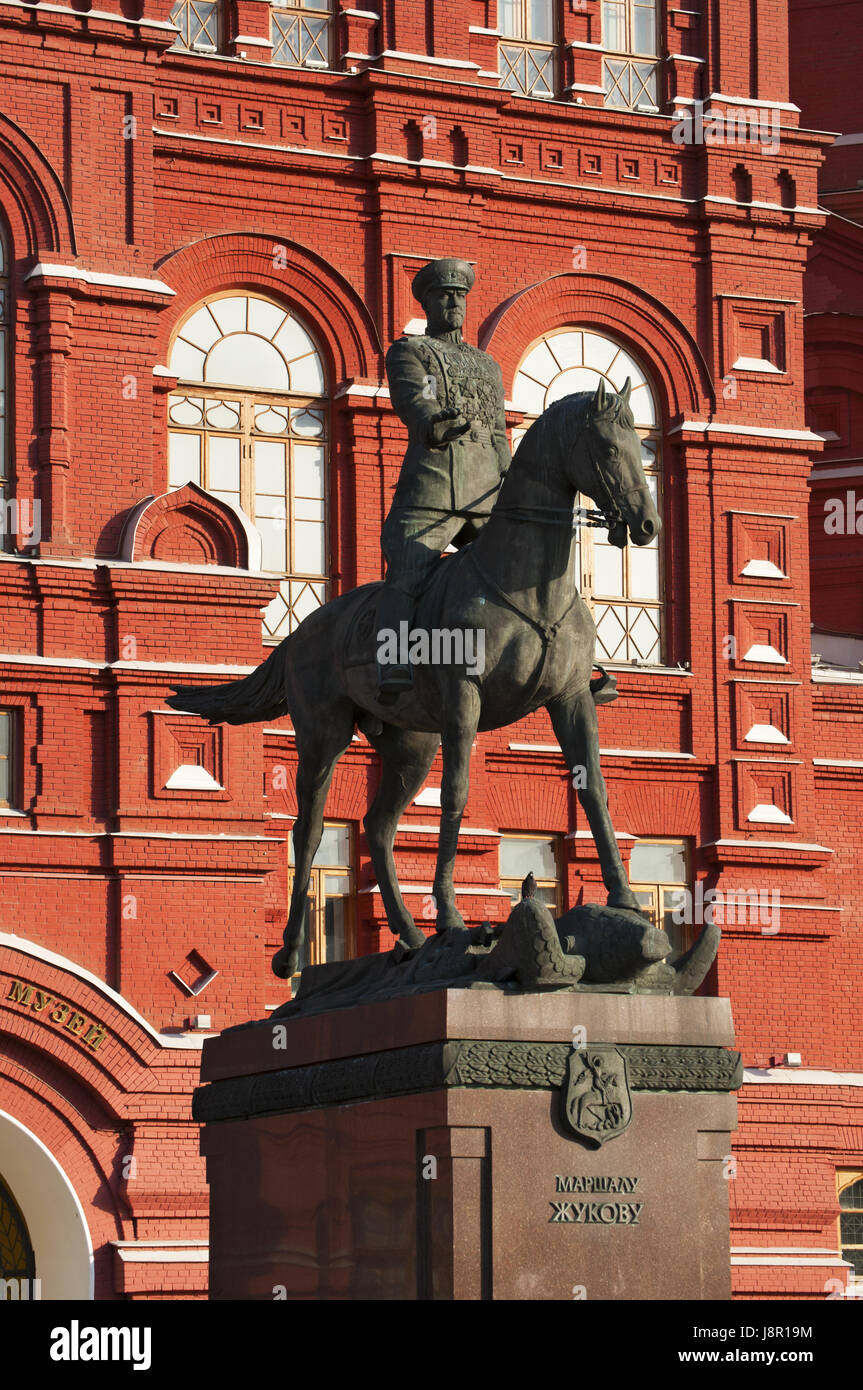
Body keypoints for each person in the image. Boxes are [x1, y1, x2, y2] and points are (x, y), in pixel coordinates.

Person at [377, 257, 510, 702]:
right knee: (408, 573)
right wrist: (435, 421)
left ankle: (564, 664)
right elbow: (417, 397)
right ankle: (393, 660)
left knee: (527, 569)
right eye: (444, 295)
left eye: (460, 295)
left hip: (485, 493)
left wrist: (510, 473)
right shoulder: (414, 351)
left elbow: (496, 429)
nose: (454, 302)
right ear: (428, 302)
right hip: (433, 488)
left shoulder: (487, 365)